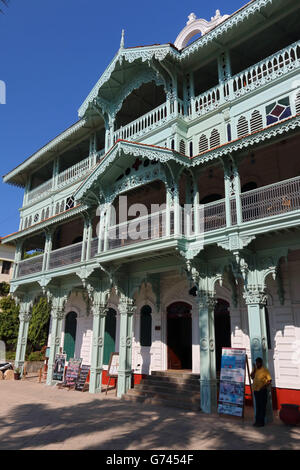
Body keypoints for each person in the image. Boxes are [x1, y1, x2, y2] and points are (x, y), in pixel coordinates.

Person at [251, 357, 272, 427]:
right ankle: (257, 421)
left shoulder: (265, 370)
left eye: (258, 363)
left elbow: (269, 381)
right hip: (256, 391)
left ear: (261, 363)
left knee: (262, 406)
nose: (257, 364)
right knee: (258, 406)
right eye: (256, 363)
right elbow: (252, 377)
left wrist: (264, 386)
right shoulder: (255, 369)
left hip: (262, 391)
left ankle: (261, 422)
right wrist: (254, 369)